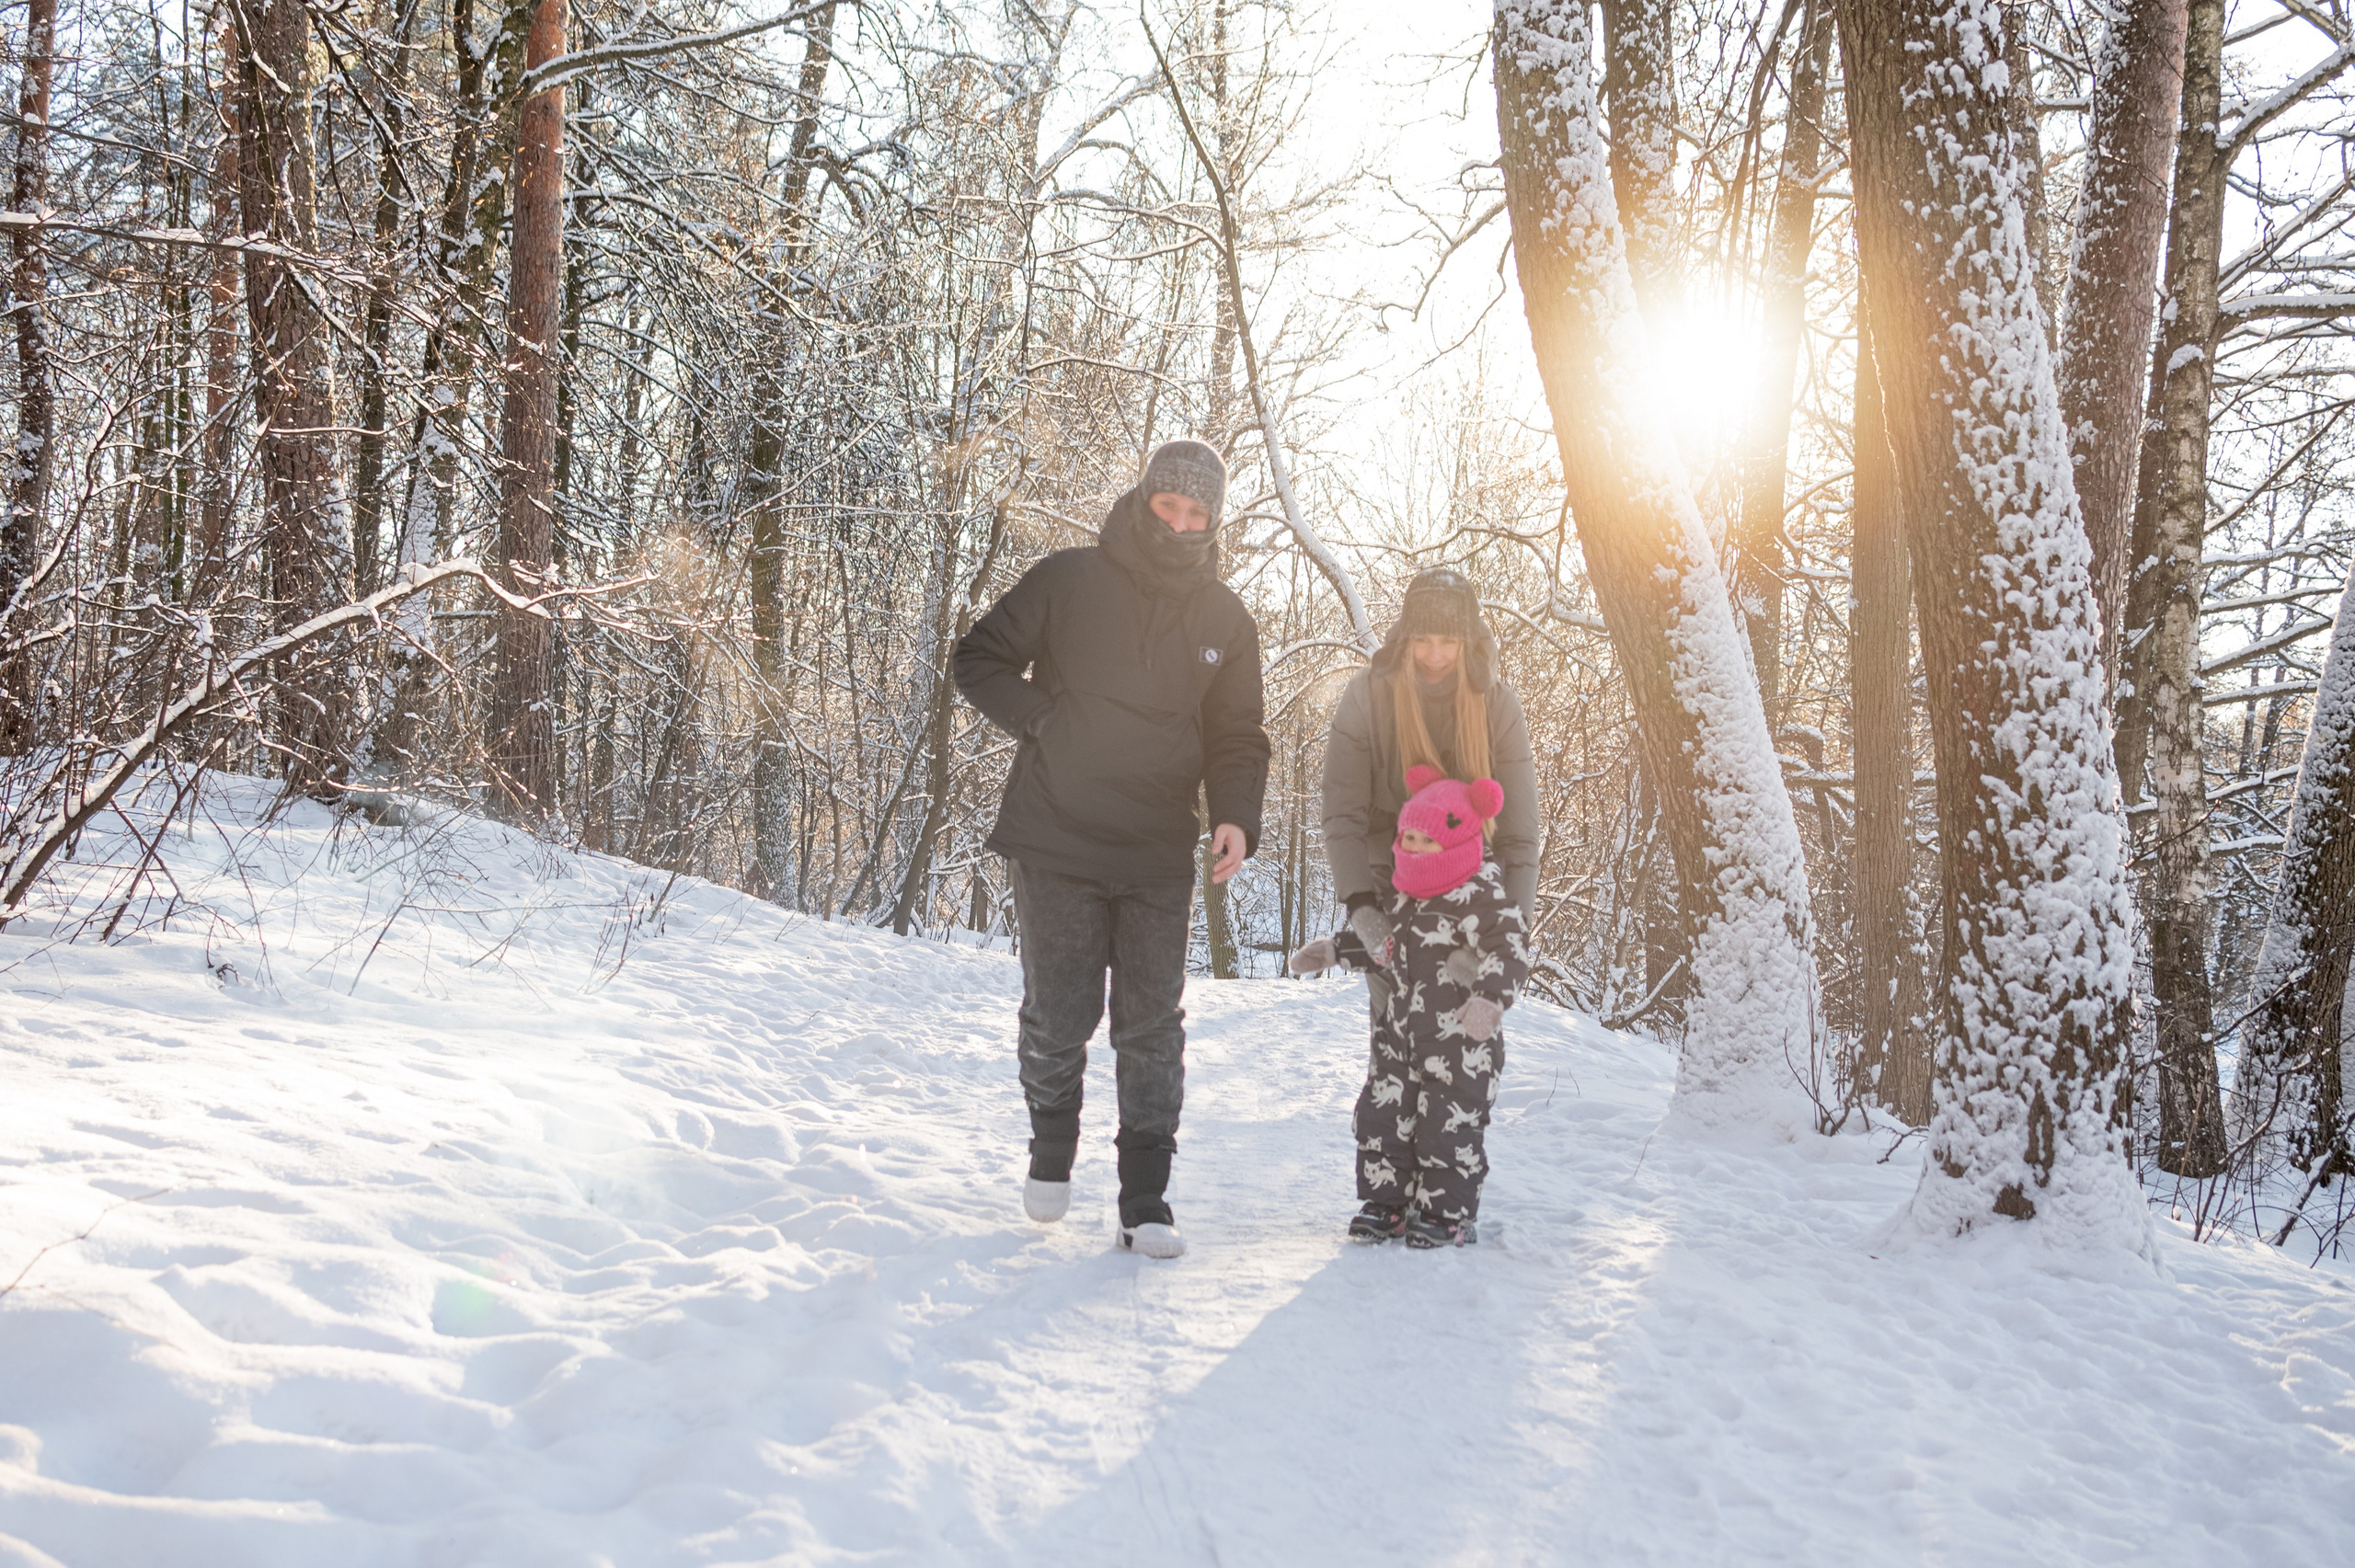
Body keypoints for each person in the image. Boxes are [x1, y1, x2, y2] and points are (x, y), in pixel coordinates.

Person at [951, 440, 1269, 1261]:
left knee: (1151, 1024)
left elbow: (1238, 734)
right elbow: (977, 659)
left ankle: (1145, 1199)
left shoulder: (1226, 621)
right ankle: (1051, 1147)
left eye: (1198, 513)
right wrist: (1047, 721)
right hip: (1057, 835)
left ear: (1213, 523)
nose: (1181, 522)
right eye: (1170, 504)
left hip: (1159, 848)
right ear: (1144, 498)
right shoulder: (1068, 580)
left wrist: (1234, 813)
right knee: (1061, 1016)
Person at [1290, 767, 1530, 1246]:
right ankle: (1386, 1203)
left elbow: (1511, 949)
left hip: (1461, 1043)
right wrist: (1337, 950)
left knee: (1449, 1127)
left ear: (1457, 841)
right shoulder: (1406, 897)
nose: (1414, 847)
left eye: (1427, 839)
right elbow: (1387, 947)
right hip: (1400, 1036)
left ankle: (1448, 1214)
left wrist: (1488, 1000)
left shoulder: (1481, 897)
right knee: (1383, 1118)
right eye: (1409, 836)